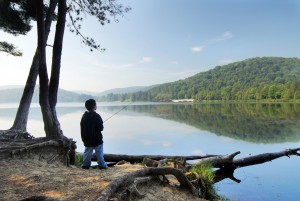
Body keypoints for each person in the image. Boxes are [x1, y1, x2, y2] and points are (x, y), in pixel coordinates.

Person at [80, 99, 108, 169]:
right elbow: (101, 128)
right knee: (99, 153)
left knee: (87, 153)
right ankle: (102, 165)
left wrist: (84, 139)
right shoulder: (97, 116)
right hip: (97, 139)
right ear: (94, 106)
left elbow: (82, 128)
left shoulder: (84, 116)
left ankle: (85, 165)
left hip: (87, 139)